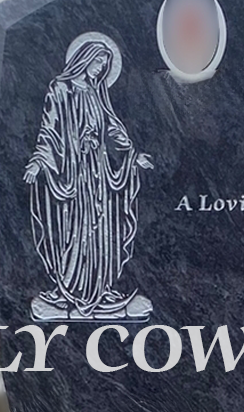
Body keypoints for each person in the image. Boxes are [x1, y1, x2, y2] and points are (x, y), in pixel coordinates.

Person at [24, 35, 154, 321]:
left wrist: (133, 155)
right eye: (97, 61)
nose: (100, 68)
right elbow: (48, 129)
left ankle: (99, 288)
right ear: (84, 58)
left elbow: (111, 127)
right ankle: (69, 289)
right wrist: (38, 161)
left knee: (100, 228)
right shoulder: (60, 88)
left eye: (105, 64)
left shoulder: (96, 92)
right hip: (72, 172)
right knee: (76, 229)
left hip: (97, 173)